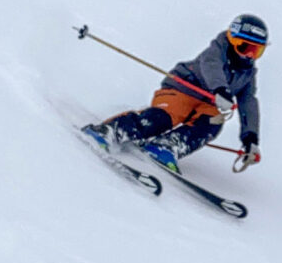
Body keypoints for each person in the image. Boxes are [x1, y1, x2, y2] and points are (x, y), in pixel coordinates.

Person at [83, 14, 267, 171]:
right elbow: (211, 66)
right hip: (183, 89)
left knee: (211, 125)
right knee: (166, 117)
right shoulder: (217, 50)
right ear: (232, 40)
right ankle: (110, 131)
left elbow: (248, 102)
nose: (249, 56)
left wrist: (250, 138)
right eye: (245, 47)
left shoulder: (248, 73)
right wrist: (221, 90)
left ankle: (167, 146)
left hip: (209, 105)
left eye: (256, 51)